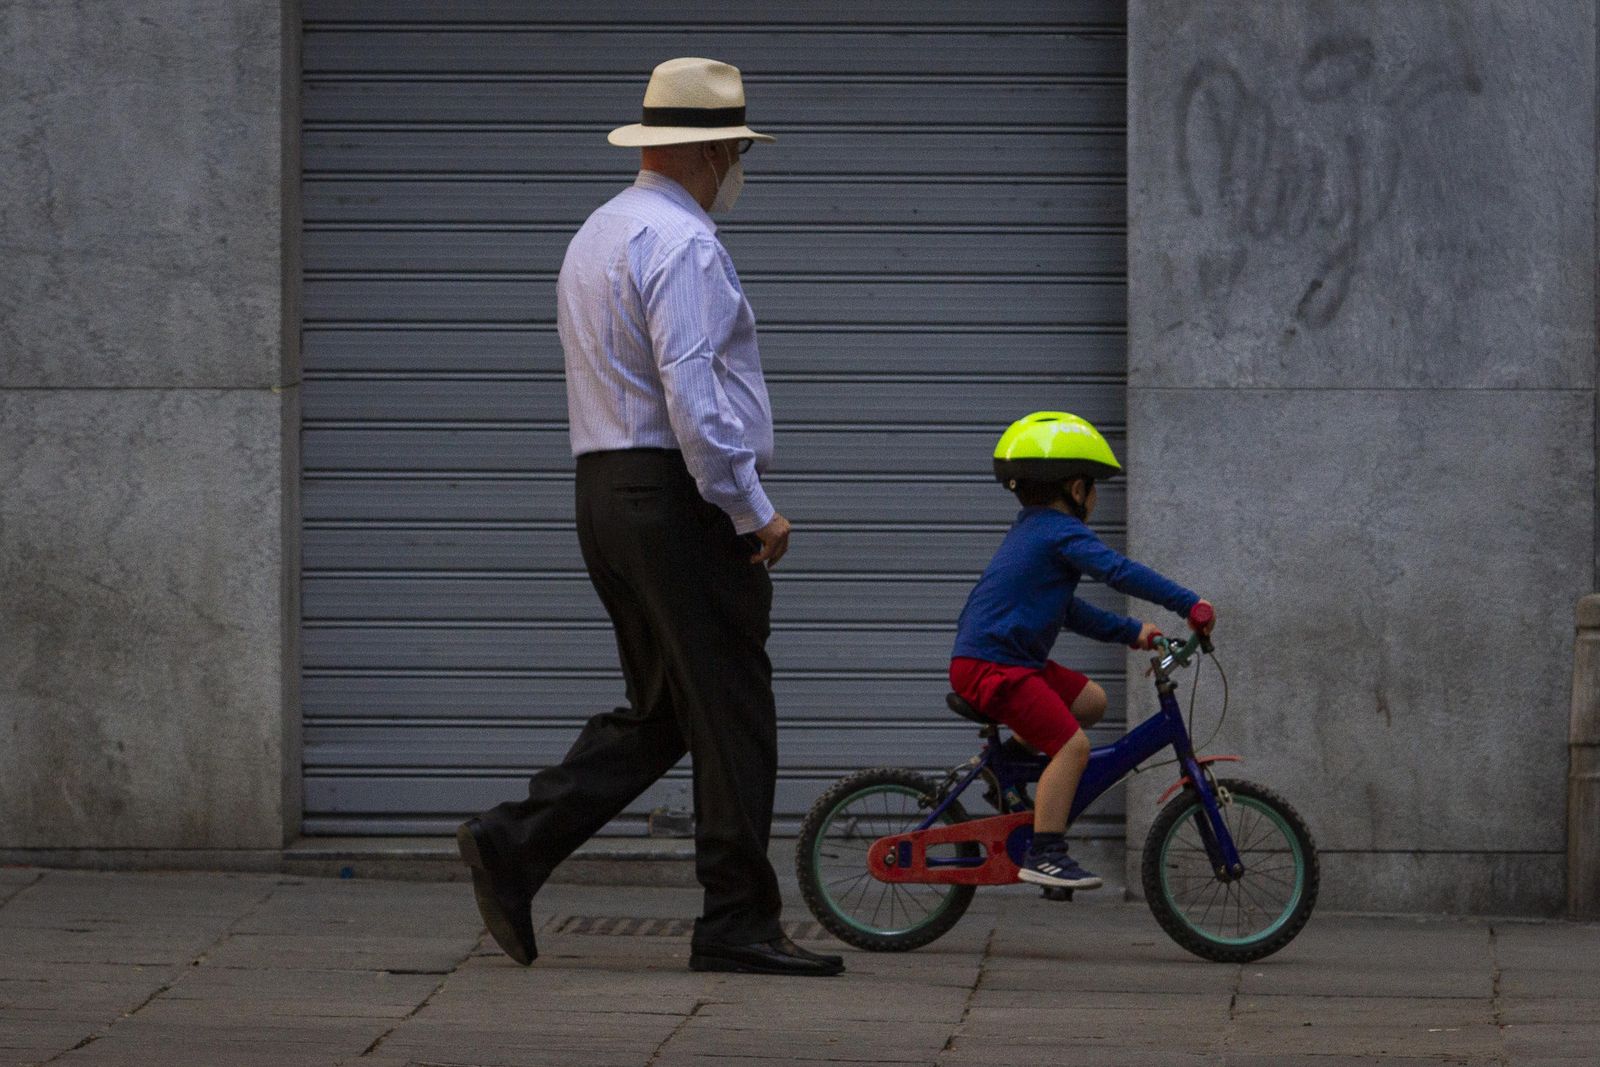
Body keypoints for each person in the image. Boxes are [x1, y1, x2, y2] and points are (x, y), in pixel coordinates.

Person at [455, 57, 844, 977]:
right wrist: (753, 509)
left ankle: (514, 840)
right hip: (678, 498)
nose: (737, 167)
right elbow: (694, 400)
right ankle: (738, 920)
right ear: (710, 150)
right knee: (734, 709)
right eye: (736, 149)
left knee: (668, 709)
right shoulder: (686, 244)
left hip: (604, 491)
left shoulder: (598, 231)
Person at [948, 411, 1215, 889]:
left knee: (1091, 701)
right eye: (1094, 489)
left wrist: (1134, 632)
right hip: (995, 666)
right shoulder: (1058, 531)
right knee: (1073, 748)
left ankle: (1007, 770)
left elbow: (1067, 611)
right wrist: (1187, 602)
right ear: (1076, 489)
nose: (1095, 499)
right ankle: (1046, 852)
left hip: (1007, 661)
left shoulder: (1034, 531)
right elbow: (1118, 571)